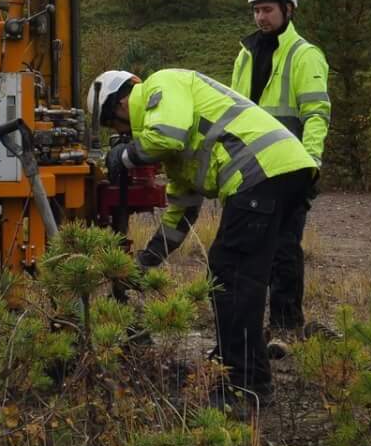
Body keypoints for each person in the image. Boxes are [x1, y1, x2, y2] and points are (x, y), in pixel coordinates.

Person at [85, 66, 313, 406]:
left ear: (120, 102)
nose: (125, 133)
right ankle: (238, 370)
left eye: (116, 126)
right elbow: (183, 210)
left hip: (262, 172)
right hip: (286, 171)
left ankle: (244, 385)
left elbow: (165, 135)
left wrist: (121, 157)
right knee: (243, 278)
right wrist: (146, 261)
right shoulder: (179, 147)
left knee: (229, 276)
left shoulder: (161, 85)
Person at [228, 0, 330, 332]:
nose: (260, 17)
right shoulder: (245, 54)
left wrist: (311, 164)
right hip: (250, 170)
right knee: (251, 251)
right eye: (256, 10)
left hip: (289, 170)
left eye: (267, 9)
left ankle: (287, 326)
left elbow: (316, 115)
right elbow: (233, 113)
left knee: (284, 248)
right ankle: (253, 326)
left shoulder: (305, 55)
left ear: (288, 10)